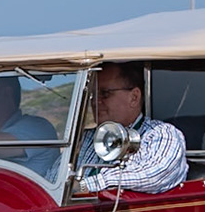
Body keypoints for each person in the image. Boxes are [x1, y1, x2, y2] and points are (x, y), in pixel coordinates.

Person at [76, 62, 187, 194]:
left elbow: (154, 174)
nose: (95, 102)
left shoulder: (161, 134)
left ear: (134, 97)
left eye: (105, 94)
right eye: (93, 95)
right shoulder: (85, 138)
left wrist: (84, 186)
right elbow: (54, 177)